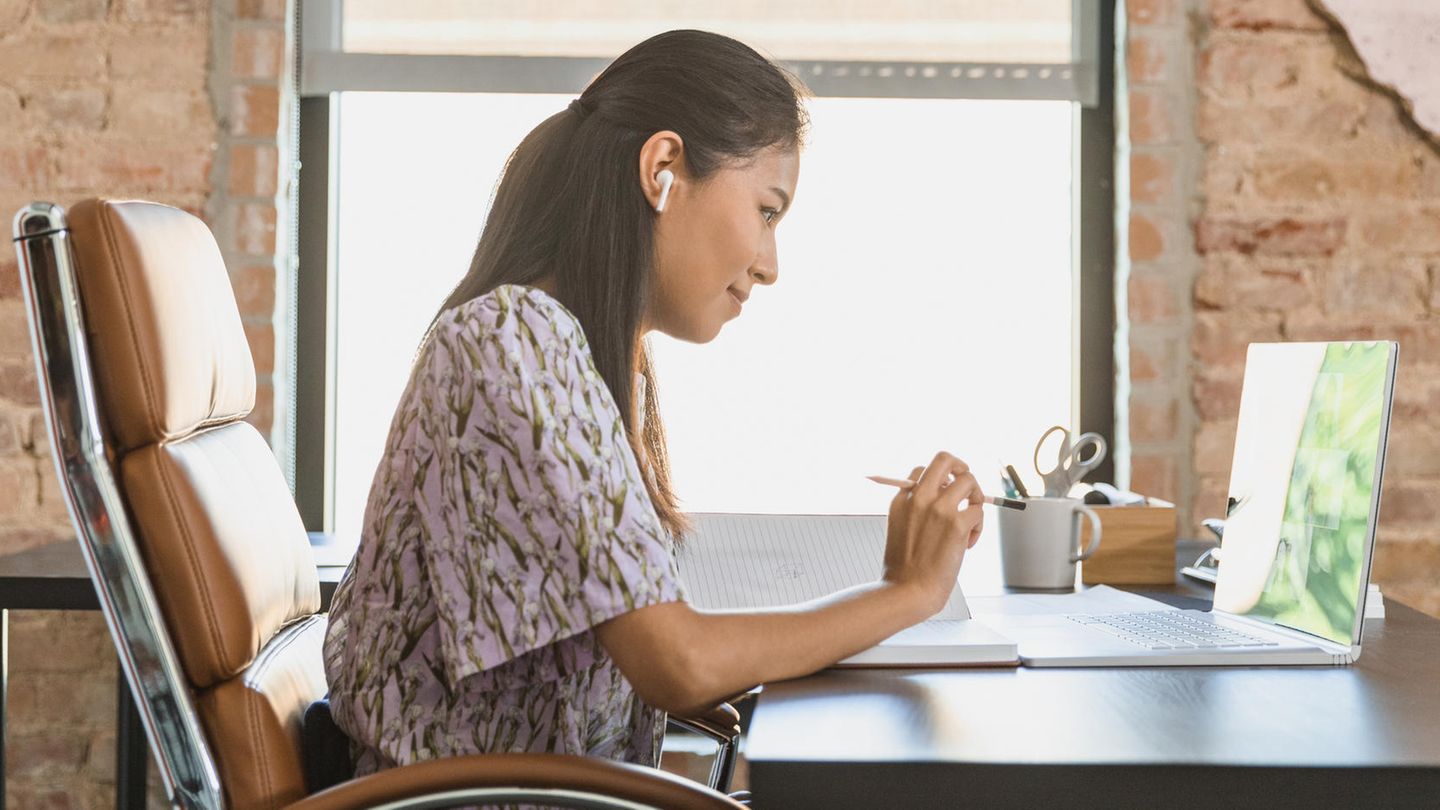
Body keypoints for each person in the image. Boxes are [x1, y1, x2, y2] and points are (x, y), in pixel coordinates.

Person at [322, 28, 985, 778]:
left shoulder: (575, 352)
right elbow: (677, 660)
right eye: (768, 211)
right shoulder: (514, 342)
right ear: (664, 169)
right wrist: (907, 593)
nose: (770, 265)